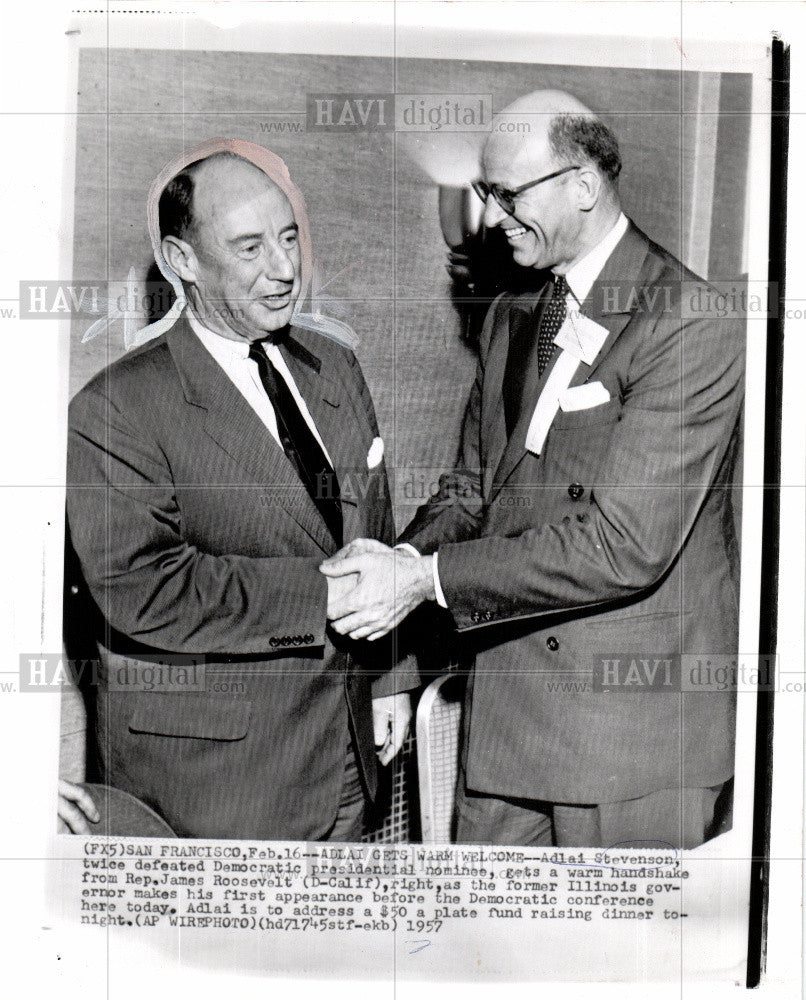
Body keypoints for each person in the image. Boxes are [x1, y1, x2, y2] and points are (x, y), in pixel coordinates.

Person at [321, 91, 744, 849]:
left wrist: (426, 580)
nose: (490, 217)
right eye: (486, 194)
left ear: (582, 185)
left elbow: (624, 546)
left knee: (611, 964)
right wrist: (404, 558)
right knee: (487, 949)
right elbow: (474, 486)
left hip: (631, 739)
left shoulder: (689, 320)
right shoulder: (512, 312)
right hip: (509, 719)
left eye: (508, 194)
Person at [62, 142, 415, 840]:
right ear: (181, 261)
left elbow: (374, 533)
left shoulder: (336, 368)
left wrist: (391, 675)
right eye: (250, 248)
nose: (286, 269)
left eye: (289, 238)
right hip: (216, 785)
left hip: (351, 760)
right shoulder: (116, 408)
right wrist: (326, 596)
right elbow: (142, 588)